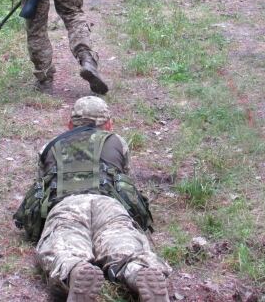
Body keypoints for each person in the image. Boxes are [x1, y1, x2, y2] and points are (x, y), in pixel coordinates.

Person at [14, 96, 171, 302]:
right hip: (108, 204)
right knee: (123, 242)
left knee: (63, 245)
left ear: (70, 124)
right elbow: (123, 179)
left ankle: (75, 270)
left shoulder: (48, 147)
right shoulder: (117, 142)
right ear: (108, 124)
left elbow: (42, 185)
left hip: (67, 204)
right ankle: (138, 272)